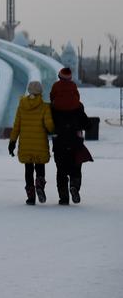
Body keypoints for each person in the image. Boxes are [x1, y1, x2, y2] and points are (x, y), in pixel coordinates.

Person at [50, 67, 93, 205]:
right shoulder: (78, 106)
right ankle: (74, 186)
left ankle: (63, 197)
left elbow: (48, 123)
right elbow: (87, 124)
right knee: (76, 166)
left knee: (61, 170)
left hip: (59, 140)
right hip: (76, 140)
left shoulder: (53, 107)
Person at [8, 81, 55, 205]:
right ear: (41, 92)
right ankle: (39, 185)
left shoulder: (21, 106)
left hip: (25, 144)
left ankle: (31, 197)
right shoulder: (45, 107)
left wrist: (12, 142)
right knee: (40, 167)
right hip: (40, 144)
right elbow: (49, 126)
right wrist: (54, 129)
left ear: (29, 91)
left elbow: (16, 126)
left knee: (28, 170)